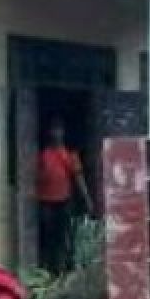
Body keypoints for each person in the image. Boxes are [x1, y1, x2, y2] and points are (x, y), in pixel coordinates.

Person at [36, 116, 93, 275]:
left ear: (63, 133)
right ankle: (46, 271)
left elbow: (78, 178)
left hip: (64, 201)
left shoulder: (69, 154)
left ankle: (62, 271)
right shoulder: (43, 154)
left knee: (64, 238)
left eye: (59, 130)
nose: (56, 133)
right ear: (49, 133)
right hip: (46, 202)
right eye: (54, 130)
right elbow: (33, 177)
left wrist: (87, 200)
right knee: (47, 239)